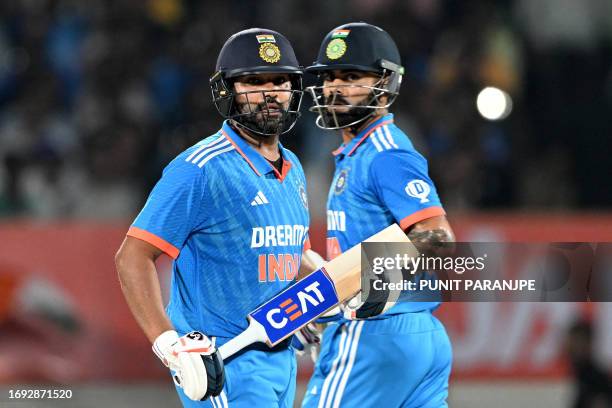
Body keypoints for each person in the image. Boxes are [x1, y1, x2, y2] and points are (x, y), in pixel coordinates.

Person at [115, 28, 316, 407]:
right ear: (227, 91)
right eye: (254, 82)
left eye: (280, 80)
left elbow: (291, 253)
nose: (270, 92)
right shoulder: (200, 169)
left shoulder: (294, 168)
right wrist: (170, 346)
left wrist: (308, 304)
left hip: (281, 359)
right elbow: (132, 256)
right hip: (225, 362)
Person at [300, 22, 455, 408]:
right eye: (329, 77)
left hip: (374, 334)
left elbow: (436, 237)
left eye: (351, 76)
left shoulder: (385, 152)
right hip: (419, 335)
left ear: (386, 83)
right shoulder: (360, 152)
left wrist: (344, 292)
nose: (335, 88)